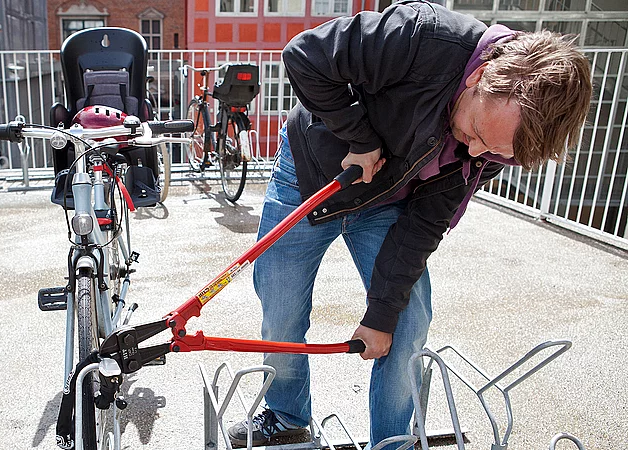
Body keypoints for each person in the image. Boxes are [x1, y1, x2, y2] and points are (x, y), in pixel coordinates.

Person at [227, 1, 592, 448]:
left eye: (492, 151)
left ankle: (394, 439)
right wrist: (359, 139)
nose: (476, 152)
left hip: (388, 199)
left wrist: (381, 316)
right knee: (281, 303)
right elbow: (305, 55)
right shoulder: (421, 36)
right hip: (315, 175)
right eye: (476, 132)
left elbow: (423, 227)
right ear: (479, 78)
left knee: (407, 319)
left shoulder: (493, 145)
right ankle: (285, 415)